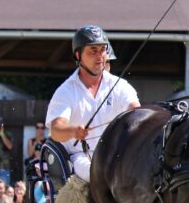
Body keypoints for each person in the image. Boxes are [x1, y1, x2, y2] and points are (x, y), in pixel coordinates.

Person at [46, 25, 140, 183]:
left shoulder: (120, 85)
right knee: (99, 174)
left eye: (103, 50)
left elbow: (136, 111)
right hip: (80, 157)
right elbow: (56, 131)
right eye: (93, 51)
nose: (99, 56)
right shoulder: (66, 91)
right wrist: (74, 131)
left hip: (115, 153)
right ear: (78, 55)